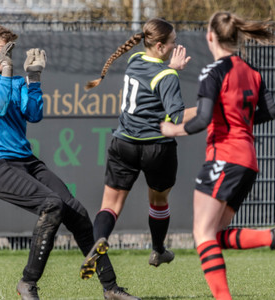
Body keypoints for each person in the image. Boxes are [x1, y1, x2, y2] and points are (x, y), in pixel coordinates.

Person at [0, 24, 139, 300]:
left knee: (78, 214)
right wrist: (9, 71)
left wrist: (33, 78)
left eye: (10, 49)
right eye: (2, 49)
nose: (7, 54)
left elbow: (34, 114)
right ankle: (28, 283)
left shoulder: (13, 79)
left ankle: (111, 288)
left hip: (25, 160)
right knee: (52, 205)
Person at [160, 12, 275, 300]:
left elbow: (203, 118)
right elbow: (271, 112)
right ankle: (271, 237)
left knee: (202, 233)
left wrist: (173, 130)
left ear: (210, 36)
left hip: (225, 156)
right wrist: (240, 121)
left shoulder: (213, 71)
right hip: (248, 160)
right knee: (215, 233)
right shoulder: (253, 71)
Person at [79, 17, 196, 281]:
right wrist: (209, 109)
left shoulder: (133, 61)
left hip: (124, 144)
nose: (176, 45)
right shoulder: (166, 76)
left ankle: (99, 241)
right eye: (173, 42)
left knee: (110, 204)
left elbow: (154, 73)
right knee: (158, 201)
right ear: (160, 45)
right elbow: (176, 116)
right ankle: (157, 250)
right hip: (157, 148)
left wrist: (171, 68)